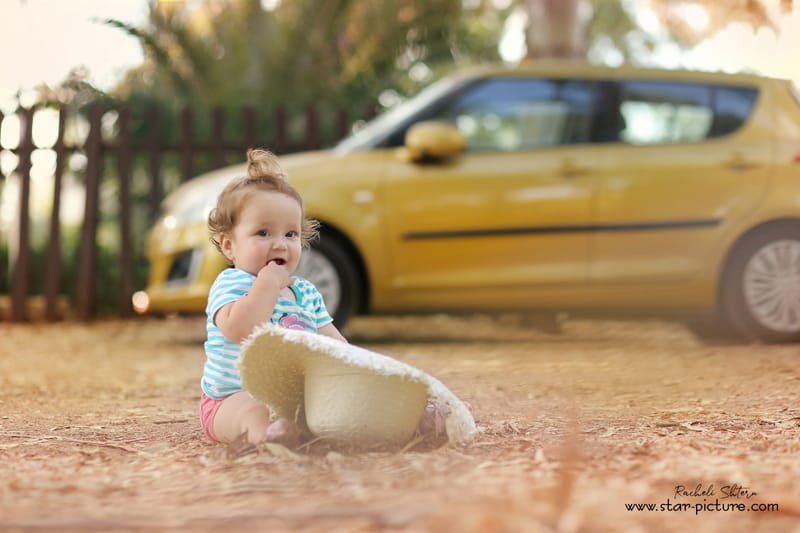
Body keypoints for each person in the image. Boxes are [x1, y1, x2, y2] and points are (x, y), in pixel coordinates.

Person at [200, 148, 347, 447]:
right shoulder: (231, 284)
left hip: (294, 401)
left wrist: (359, 373)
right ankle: (270, 439)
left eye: (290, 234)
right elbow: (242, 329)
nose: (280, 244)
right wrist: (267, 283)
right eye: (264, 233)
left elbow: (335, 344)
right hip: (231, 400)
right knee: (254, 411)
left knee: (340, 402)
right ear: (230, 246)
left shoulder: (305, 293)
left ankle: (407, 422)